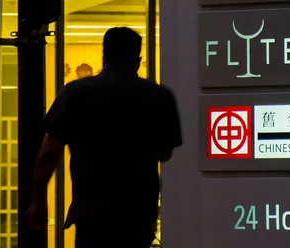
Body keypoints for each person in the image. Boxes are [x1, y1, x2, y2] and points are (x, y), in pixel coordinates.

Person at [27, 27, 183, 248]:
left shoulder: (76, 93)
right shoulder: (159, 96)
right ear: (138, 60)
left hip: (91, 210)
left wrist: (38, 200)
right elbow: (165, 154)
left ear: (104, 56)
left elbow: (49, 154)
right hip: (137, 212)